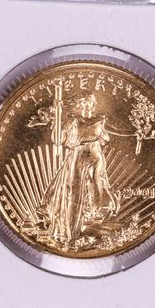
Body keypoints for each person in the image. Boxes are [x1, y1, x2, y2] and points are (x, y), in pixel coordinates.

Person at [36, 93, 118, 245]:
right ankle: (70, 234)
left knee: (98, 186)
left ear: (93, 104)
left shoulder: (100, 121)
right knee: (73, 194)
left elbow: (115, 132)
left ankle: (95, 214)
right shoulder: (72, 121)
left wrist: (136, 133)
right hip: (77, 156)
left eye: (89, 102)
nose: (86, 104)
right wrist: (57, 120)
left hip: (95, 156)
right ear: (80, 104)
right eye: (84, 102)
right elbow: (58, 140)